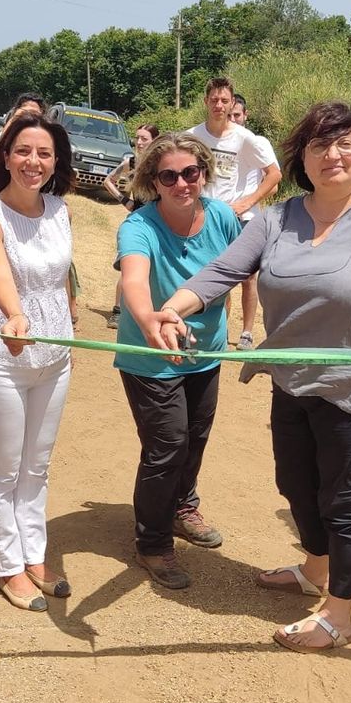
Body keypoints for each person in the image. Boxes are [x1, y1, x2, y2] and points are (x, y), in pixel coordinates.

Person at [152, 101, 351, 649]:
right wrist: (175, 307)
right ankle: (314, 568)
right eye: (319, 145)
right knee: (295, 485)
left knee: (344, 499)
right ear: (301, 158)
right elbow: (224, 270)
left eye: (346, 143)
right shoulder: (277, 219)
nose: (333, 155)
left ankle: (339, 612)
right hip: (291, 380)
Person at [114, 133, 242, 589]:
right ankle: (152, 542)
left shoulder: (223, 217)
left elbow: (240, 267)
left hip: (206, 351)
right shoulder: (139, 226)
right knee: (167, 446)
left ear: (204, 172)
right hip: (151, 356)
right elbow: (134, 276)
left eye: (191, 172)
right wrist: (150, 319)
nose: (182, 183)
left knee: (195, 436)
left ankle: (183, 506)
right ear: (154, 181)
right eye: (169, 175)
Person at [0, 114, 76, 611]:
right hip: (4, 356)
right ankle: (6, 563)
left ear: (56, 162)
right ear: (6, 155)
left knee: (38, 464)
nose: (34, 162)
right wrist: (14, 316)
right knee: (5, 468)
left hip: (57, 354)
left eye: (45, 154)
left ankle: (34, 553)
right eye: (24, 151)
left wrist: (69, 314)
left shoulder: (60, 210)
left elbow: (62, 276)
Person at [187, 78, 281, 351]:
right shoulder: (192, 135)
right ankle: (212, 330)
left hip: (239, 218)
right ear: (206, 101)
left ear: (231, 104)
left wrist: (246, 203)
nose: (219, 105)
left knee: (246, 277)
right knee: (206, 272)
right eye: (214, 100)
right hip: (204, 215)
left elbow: (274, 174)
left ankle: (248, 333)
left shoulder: (245, 138)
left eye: (224, 100)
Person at [103, 123, 158, 328]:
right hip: (139, 219)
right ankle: (117, 310)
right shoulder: (131, 162)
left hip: (159, 220)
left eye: (144, 138)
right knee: (129, 266)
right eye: (137, 138)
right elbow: (108, 181)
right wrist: (125, 200)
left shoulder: (158, 163)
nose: (140, 142)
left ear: (154, 140)